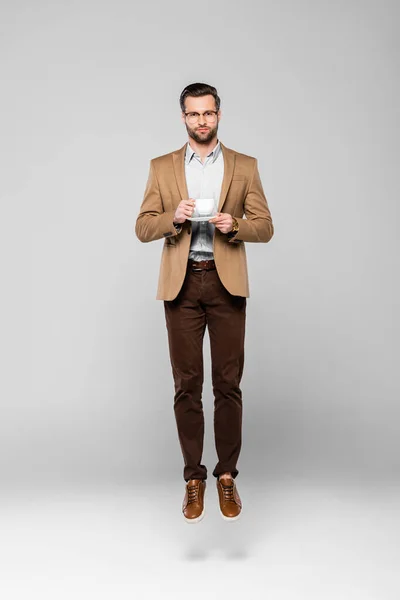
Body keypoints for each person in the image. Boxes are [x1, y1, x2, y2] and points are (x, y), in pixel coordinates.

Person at [135, 82, 274, 523]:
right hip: (182, 285)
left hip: (225, 283)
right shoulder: (161, 167)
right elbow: (142, 226)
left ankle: (227, 475)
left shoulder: (244, 166)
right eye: (194, 114)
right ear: (183, 117)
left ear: (218, 114)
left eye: (208, 113)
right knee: (186, 385)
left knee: (228, 384)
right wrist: (170, 218)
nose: (202, 121)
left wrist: (237, 225)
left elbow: (266, 226)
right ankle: (193, 478)